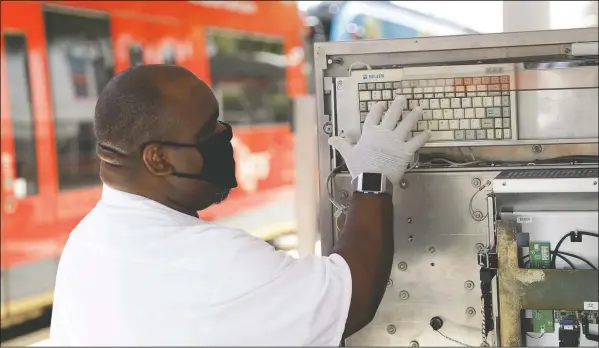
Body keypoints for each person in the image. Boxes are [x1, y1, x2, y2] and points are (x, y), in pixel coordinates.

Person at [49, 64, 431, 346]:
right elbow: (353, 296)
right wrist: (372, 176)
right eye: (208, 131)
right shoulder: (210, 259)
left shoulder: (85, 242)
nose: (224, 138)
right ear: (158, 159)